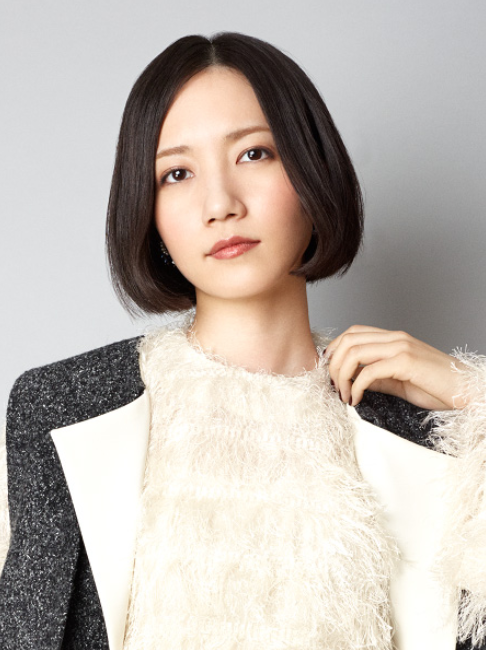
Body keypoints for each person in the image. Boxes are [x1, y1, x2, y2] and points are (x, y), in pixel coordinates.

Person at [0, 31, 485, 650]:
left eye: (254, 154)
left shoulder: (423, 429)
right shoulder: (64, 409)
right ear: (148, 212)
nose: (220, 204)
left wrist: (475, 398)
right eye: (177, 173)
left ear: (311, 170)